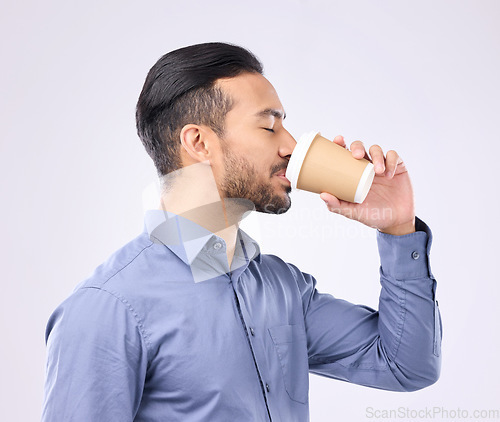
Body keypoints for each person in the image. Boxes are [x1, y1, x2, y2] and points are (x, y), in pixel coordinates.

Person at [42, 42, 441, 422]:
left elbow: (406, 366)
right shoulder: (108, 309)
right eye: (269, 127)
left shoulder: (283, 288)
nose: (291, 146)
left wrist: (397, 226)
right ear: (198, 142)